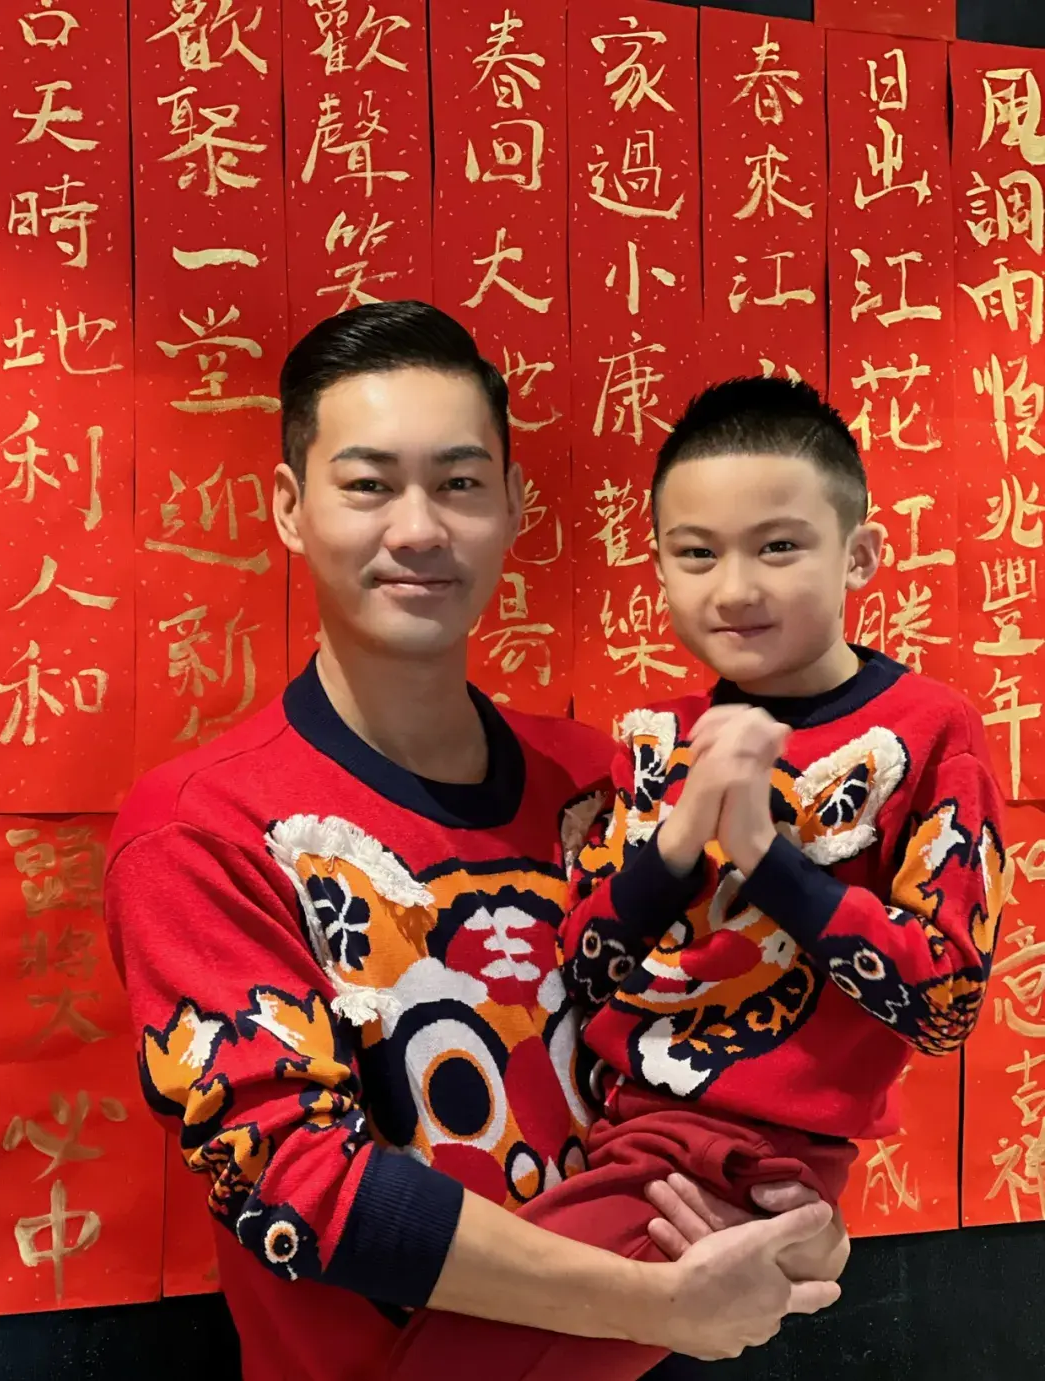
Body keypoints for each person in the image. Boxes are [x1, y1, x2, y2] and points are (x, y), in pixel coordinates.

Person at [105, 310, 844, 1381]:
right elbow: (295, 1182)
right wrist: (652, 1300)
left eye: (458, 483)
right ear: (290, 509)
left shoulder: (609, 788)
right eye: (368, 485)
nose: (418, 529)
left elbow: (725, 1045)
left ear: (511, 507)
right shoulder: (201, 828)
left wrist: (796, 1217)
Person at [388, 375, 1008, 1380]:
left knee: (456, 1359)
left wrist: (766, 854)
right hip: (626, 1126)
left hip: (749, 1152)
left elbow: (946, 999)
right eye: (697, 553)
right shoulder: (657, 739)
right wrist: (682, 837)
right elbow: (587, 965)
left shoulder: (929, 730)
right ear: (659, 566)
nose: (735, 588)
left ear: (859, 555)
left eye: (779, 546)